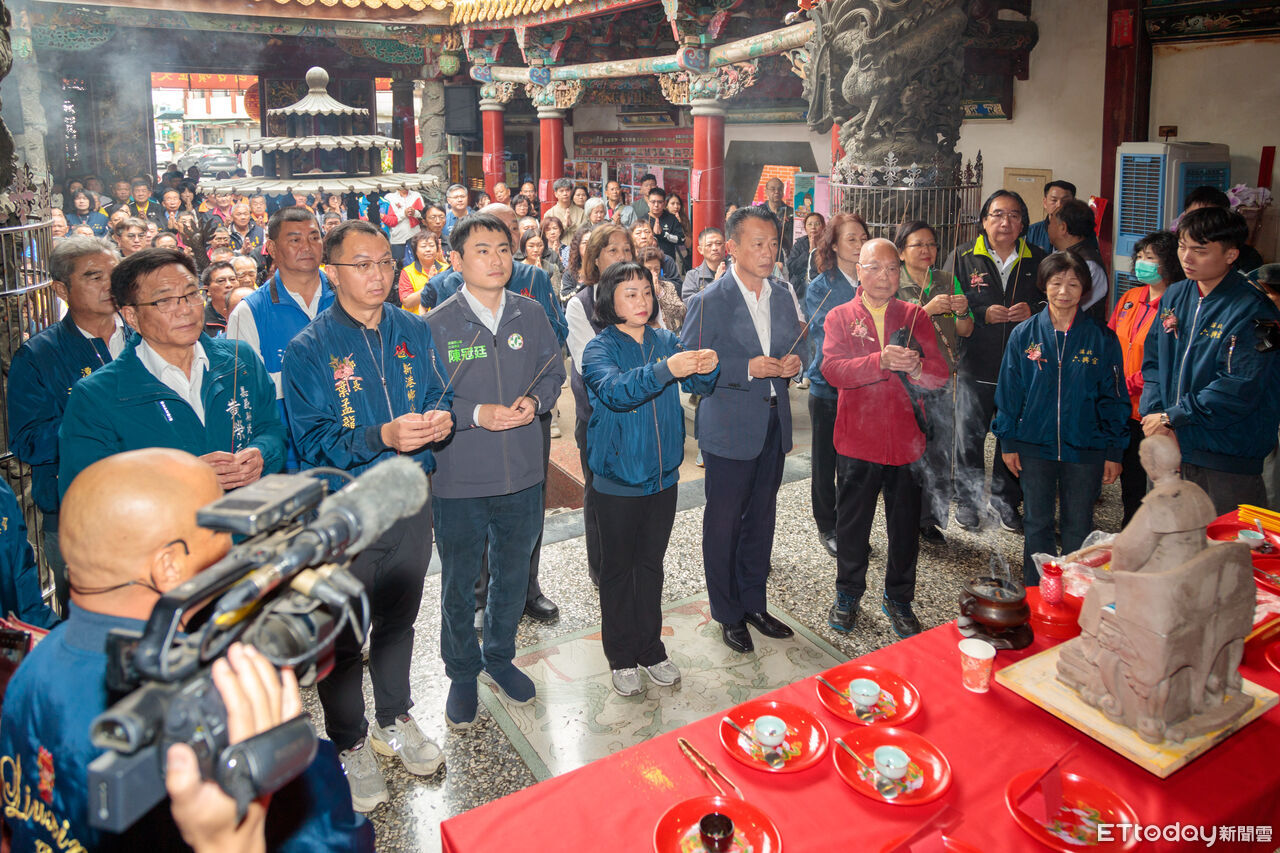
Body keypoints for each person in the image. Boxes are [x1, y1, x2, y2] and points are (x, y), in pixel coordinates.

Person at [0, 448, 373, 851]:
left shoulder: (26, 670)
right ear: (169, 567)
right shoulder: (206, 718)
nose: (233, 547)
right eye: (220, 525)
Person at [281, 220, 453, 811]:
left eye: (385, 261)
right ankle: (350, 742)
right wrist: (383, 432)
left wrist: (440, 420)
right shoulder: (309, 348)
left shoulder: (413, 327)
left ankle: (395, 717)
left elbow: (439, 391)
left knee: (399, 619)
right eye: (362, 264)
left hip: (410, 497)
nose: (378, 274)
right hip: (348, 508)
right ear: (332, 273)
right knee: (344, 632)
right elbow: (313, 437)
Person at [425, 213, 565, 728]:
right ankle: (462, 673)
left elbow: (554, 371)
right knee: (460, 582)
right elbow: (423, 398)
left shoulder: (530, 314)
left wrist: (535, 401)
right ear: (456, 261)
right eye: (482, 250)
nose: (497, 259)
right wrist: (475, 415)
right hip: (460, 479)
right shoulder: (435, 325)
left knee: (512, 574)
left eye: (503, 249)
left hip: (524, 475)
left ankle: (500, 657)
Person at [582, 262, 718, 695]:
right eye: (630, 294)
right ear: (610, 301)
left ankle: (651, 648)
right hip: (618, 481)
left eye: (646, 292)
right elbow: (617, 393)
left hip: (662, 479)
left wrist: (707, 366)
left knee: (650, 566)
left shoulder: (665, 339)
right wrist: (668, 369)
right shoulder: (598, 349)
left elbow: (704, 384)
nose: (642, 302)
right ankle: (621, 656)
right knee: (618, 571)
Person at [680, 206, 806, 653]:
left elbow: (799, 344)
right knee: (724, 523)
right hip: (730, 429)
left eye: (773, 243)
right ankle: (727, 612)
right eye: (757, 243)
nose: (768, 252)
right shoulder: (708, 301)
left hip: (773, 424)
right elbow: (691, 374)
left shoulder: (783, 293)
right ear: (731, 248)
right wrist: (744, 368)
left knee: (762, 520)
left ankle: (754, 602)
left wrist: (795, 363)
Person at [58, 248, 284, 494]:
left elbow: (272, 428)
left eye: (190, 294)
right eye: (164, 301)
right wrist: (179, 478)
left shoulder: (240, 360)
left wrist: (262, 453)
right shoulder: (98, 395)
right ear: (131, 316)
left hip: (249, 524)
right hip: (166, 530)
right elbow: (85, 493)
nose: (185, 309)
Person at [821, 238, 950, 636]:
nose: (884, 276)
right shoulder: (840, 316)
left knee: (905, 526)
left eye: (892, 268)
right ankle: (847, 593)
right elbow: (832, 370)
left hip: (908, 441)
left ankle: (899, 597)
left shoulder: (914, 316)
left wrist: (915, 370)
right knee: (852, 526)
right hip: (857, 441)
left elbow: (940, 375)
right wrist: (879, 361)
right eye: (874, 267)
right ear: (859, 270)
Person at [995, 251, 1129, 585]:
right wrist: (1009, 441)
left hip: (1086, 448)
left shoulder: (1102, 338)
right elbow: (1009, 393)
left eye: (1073, 283)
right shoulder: (1024, 335)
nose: (1064, 291)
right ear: (1044, 286)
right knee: (1036, 524)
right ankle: (1036, 593)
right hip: (1033, 446)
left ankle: (1075, 593)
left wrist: (1114, 450)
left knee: (1078, 526)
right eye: (1056, 282)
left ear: (1084, 288)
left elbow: (1114, 397)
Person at [7, 236, 125, 609]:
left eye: (114, 274)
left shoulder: (146, 336)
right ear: (61, 288)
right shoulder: (39, 355)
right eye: (94, 277)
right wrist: (97, 429)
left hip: (153, 496)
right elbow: (27, 442)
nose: (109, 285)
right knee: (91, 617)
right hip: (76, 512)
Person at [1140, 206, 1280, 514]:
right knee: (1168, 545)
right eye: (1182, 247)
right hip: (1170, 447)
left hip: (1223, 455)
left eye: (1199, 251)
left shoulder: (1252, 310)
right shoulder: (1176, 295)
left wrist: (1174, 418)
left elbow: (1239, 386)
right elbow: (1152, 362)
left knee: (1222, 552)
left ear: (1231, 255)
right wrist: (1156, 416)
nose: (1186, 258)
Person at [944, 189, 1046, 532]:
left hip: (1022, 368)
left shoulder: (1039, 259)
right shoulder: (962, 257)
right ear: (984, 221)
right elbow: (946, 301)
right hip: (976, 361)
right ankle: (968, 502)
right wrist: (982, 312)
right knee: (969, 437)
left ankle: (1006, 503)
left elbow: (1056, 302)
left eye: (1014, 215)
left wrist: (1033, 310)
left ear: (1024, 224)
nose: (1006, 222)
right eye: (998, 214)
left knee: (1012, 436)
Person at [226, 207, 335, 470]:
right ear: (272, 248)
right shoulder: (249, 312)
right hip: (288, 457)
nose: (307, 247)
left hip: (348, 450)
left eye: (314, 237)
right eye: (295, 240)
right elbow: (246, 393)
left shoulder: (345, 298)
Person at [893, 220, 974, 545]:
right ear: (901, 252)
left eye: (931, 245)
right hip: (905, 380)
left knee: (940, 450)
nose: (927, 251)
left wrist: (964, 311)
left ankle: (931, 518)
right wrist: (925, 310)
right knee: (909, 452)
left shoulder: (946, 279)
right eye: (918, 245)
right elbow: (894, 331)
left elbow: (965, 331)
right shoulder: (894, 283)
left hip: (941, 378)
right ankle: (904, 517)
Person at [566, 224, 634, 588]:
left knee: (637, 492)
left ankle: (632, 559)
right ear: (594, 258)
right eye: (612, 250)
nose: (622, 257)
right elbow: (594, 365)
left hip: (640, 415)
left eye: (626, 250)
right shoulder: (581, 304)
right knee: (601, 494)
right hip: (598, 418)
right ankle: (601, 568)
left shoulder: (641, 296)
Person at [804, 212, 870, 559]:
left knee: (857, 462)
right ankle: (827, 524)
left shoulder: (873, 281)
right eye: (851, 239)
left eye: (863, 238)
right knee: (826, 462)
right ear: (833, 244)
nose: (859, 245)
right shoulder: (821, 286)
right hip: (829, 389)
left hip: (865, 388)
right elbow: (826, 339)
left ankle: (850, 524)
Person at [1109, 231, 1181, 525]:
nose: (1141, 263)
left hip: (1149, 407)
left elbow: (1167, 359)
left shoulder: (1176, 303)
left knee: (1148, 478)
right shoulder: (1130, 297)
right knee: (1129, 479)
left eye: (1149, 258)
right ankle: (1129, 528)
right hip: (1120, 403)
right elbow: (1111, 339)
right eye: (1139, 257)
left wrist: (1130, 384)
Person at [1178, 185, 1265, 274]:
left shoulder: (1247, 257)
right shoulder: (1174, 252)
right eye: (1194, 217)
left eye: (1208, 219)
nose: (1186, 258)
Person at [1048, 198, 1109, 321]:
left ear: (1063, 228)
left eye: (1051, 221)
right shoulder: (1059, 255)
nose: (1047, 226)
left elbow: (1068, 308)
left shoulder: (1088, 265)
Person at [398, 231, 448, 315]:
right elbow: (407, 302)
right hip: (415, 320)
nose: (428, 249)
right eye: (423, 246)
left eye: (432, 246)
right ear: (415, 250)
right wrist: (430, 285)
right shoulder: (408, 271)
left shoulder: (446, 268)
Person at [638, 246, 685, 332]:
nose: (653, 273)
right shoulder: (636, 289)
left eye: (656, 269)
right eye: (648, 269)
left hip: (669, 333)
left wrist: (660, 294)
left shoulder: (667, 286)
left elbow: (680, 311)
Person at [1026, 179, 1076, 254]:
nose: (1059, 205)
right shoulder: (1030, 233)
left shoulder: (1083, 234)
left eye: (1065, 201)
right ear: (1045, 203)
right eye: (1054, 200)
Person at [787, 211, 825, 307]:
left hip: (822, 288)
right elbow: (791, 266)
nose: (813, 227)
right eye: (809, 224)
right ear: (805, 228)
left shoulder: (828, 245)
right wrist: (809, 253)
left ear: (823, 226)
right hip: (801, 288)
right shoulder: (799, 244)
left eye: (817, 224)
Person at [380, 186, 425, 265]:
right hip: (397, 239)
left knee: (417, 265)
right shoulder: (389, 197)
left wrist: (414, 213)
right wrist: (403, 213)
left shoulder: (416, 195)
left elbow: (423, 215)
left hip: (415, 238)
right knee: (398, 267)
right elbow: (385, 217)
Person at [755, 177, 794, 268]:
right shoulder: (757, 212)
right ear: (766, 191)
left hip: (785, 255)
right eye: (773, 189)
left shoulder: (791, 212)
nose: (776, 191)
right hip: (763, 254)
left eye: (780, 189)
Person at [681, 227, 728, 300]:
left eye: (718, 243)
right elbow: (691, 304)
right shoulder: (693, 276)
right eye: (709, 245)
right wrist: (715, 283)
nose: (714, 248)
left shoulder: (735, 270)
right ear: (700, 250)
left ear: (725, 246)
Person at [521, 227, 562, 294]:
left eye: (540, 245)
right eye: (531, 246)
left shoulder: (552, 268)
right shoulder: (516, 269)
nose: (536, 250)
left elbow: (555, 295)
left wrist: (541, 276)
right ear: (524, 247)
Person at [202, 260, 238, 336]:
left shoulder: (249, 310)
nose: (229, 285)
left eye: (232, 279)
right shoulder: (200, 322)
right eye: (221, 281)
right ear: (207, 290)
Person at [561, 223, 593, 301]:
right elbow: (564, 299)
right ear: (577, 246)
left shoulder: (602, 269)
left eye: (591, 242)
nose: (588, 246)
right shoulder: (569, 273)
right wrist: (583, 285)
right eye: (585, 243)